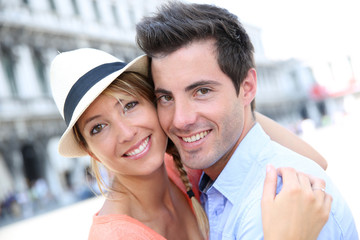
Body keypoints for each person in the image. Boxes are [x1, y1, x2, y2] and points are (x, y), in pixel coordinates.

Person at [50, 48, 331, 240]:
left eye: (130, 105)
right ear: (88, 150)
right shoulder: (117, 236)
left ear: (157, 102)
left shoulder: (183, 166)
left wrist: (228, 101)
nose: (125, 132)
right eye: (98, 127)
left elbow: (313, 164)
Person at [136, 1, 358, 239]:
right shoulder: (212, 184)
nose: (180, 120)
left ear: (248, 87)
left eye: (202, 91)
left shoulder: (282, 202)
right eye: (166, 97)